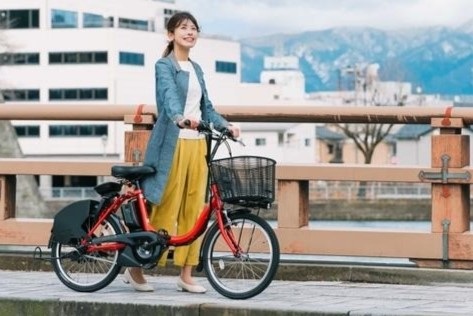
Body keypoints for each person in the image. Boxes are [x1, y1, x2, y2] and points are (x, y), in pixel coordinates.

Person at [122, 11, 240, 293]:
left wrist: (226, 125)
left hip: (198, 145)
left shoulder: (197, 69)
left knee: (195, 210)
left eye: (194, 28)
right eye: (183, 28)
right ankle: (137, 266)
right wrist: (178, 117)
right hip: (173, 143)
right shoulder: (164, 65)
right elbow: (169, 96)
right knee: (166, 205)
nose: (190, 32)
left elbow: (206, 108)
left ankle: (186, 275)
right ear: (171, 34)